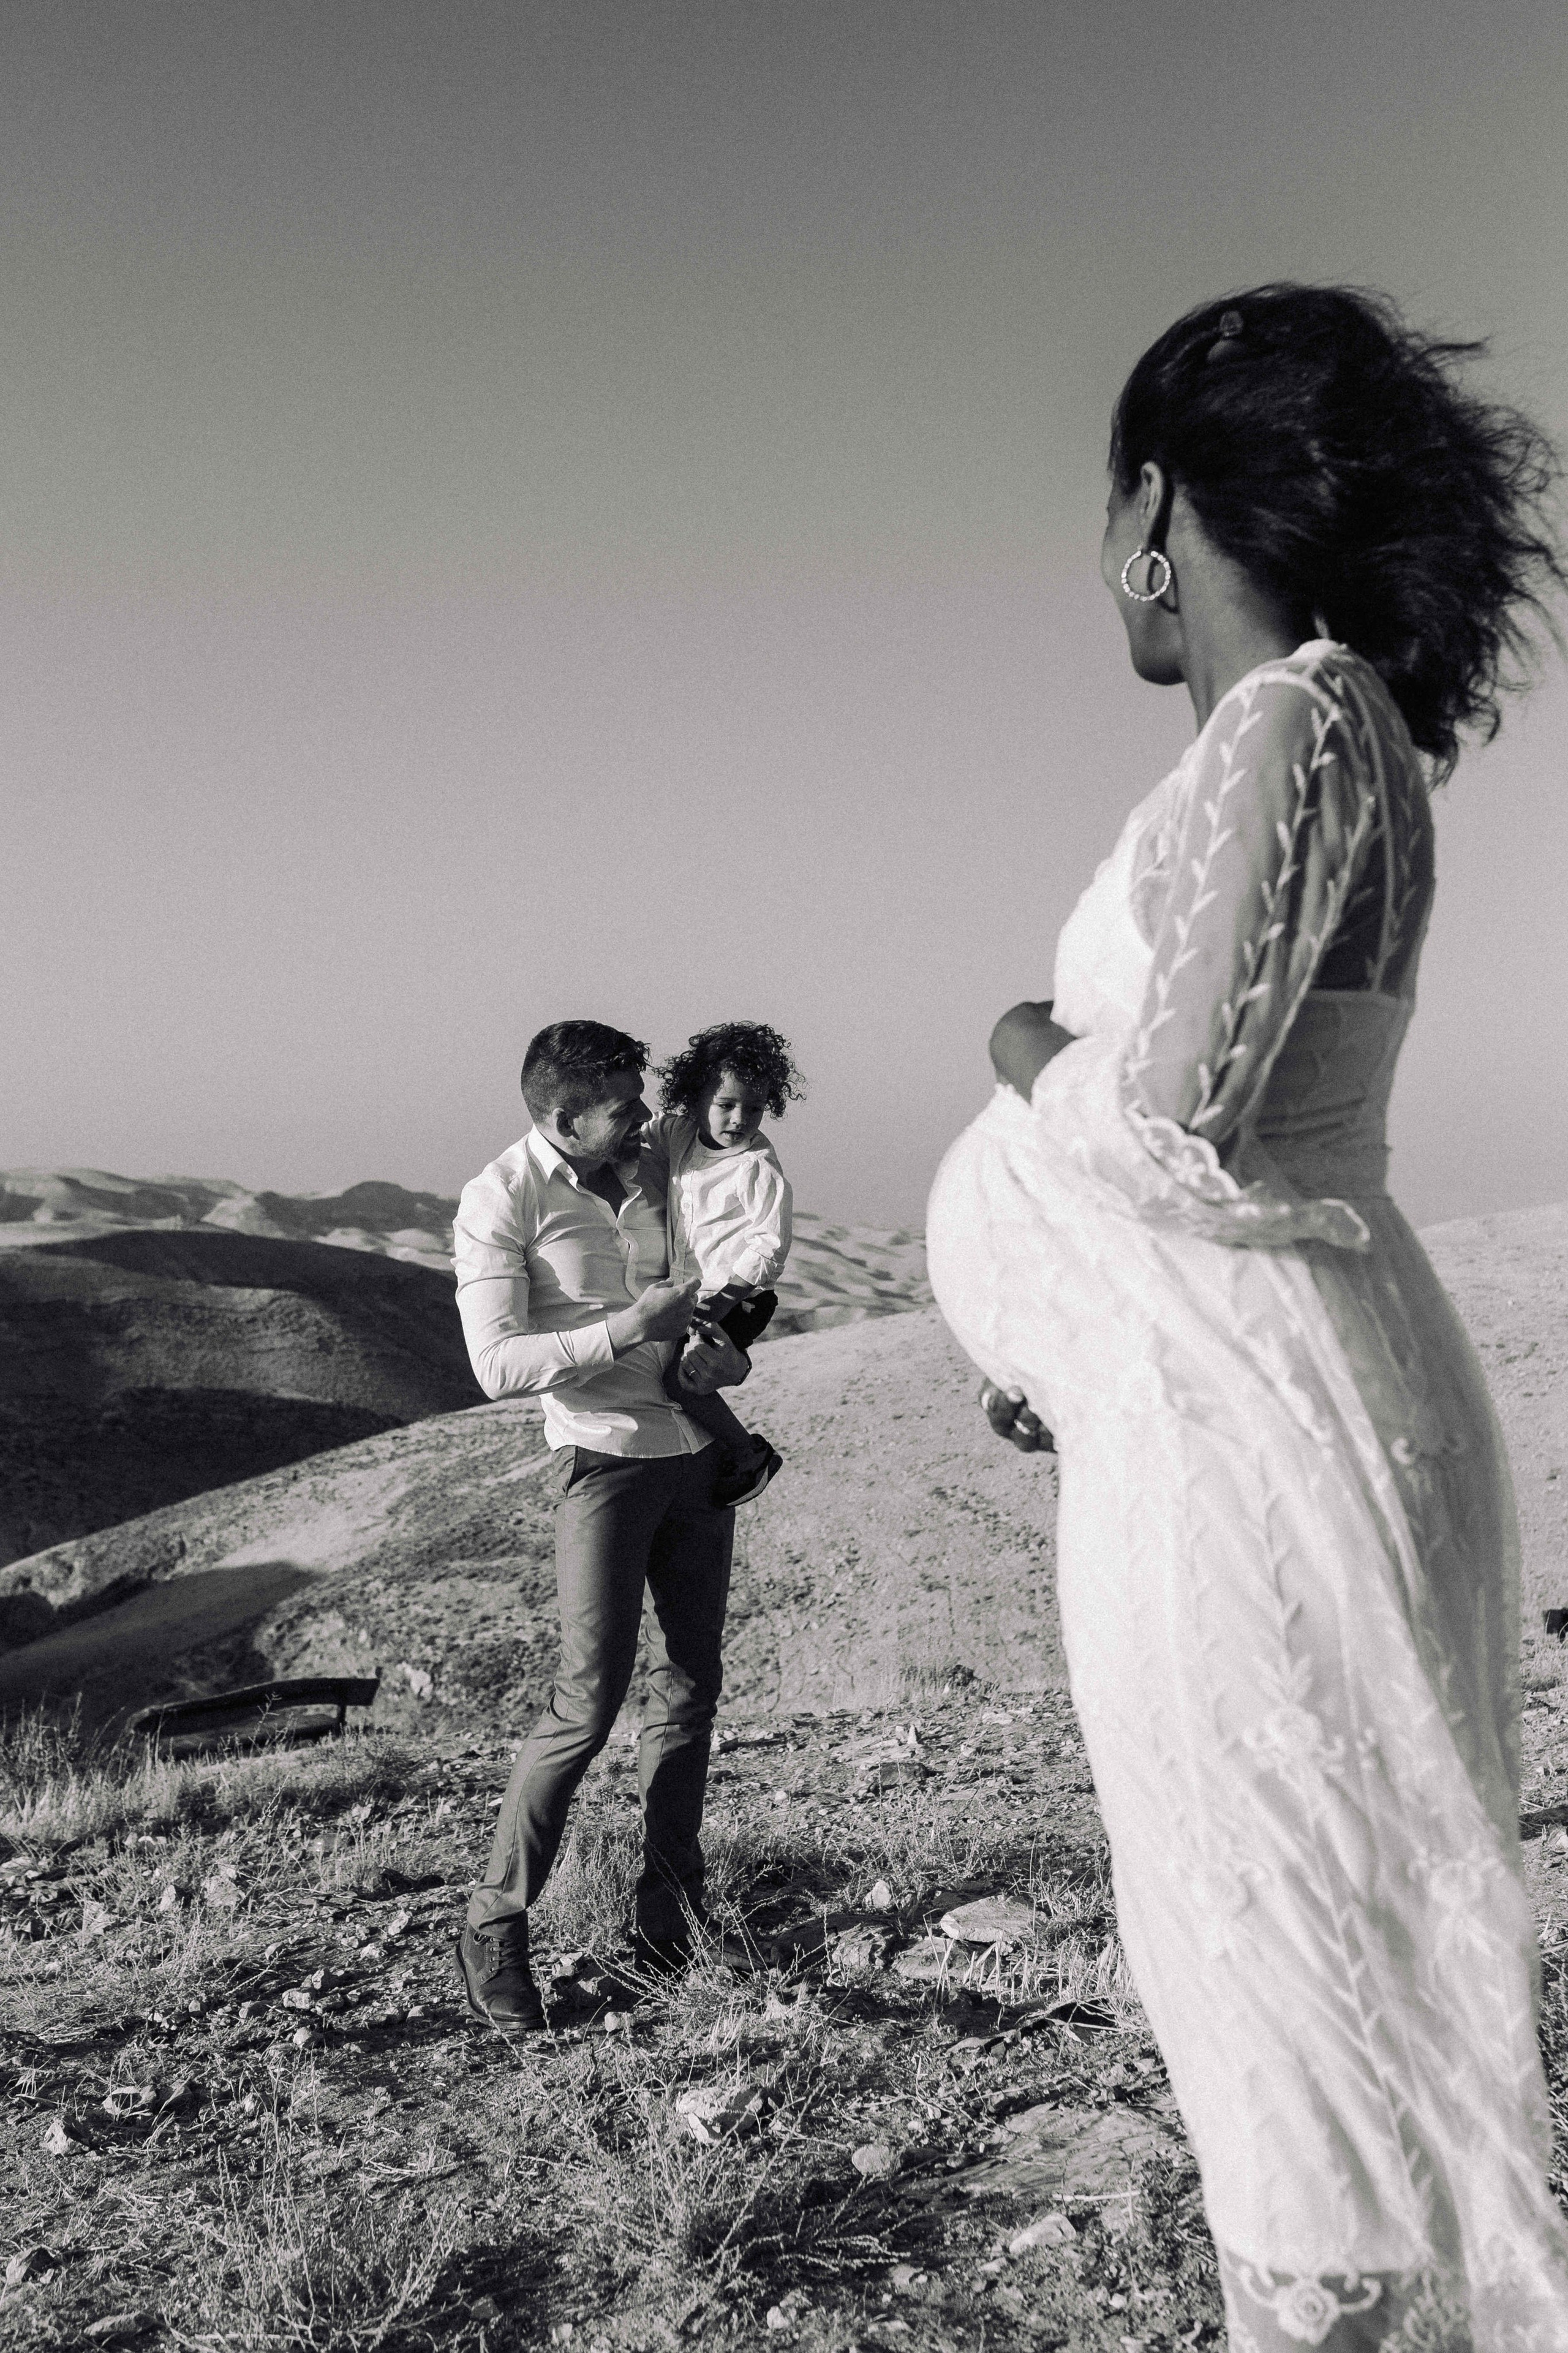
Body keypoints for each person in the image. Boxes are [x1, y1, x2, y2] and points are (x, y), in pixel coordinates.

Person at [924, 286, 1568, 2348]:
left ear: (1154, 510)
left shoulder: (1292, 718)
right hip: (1225, 1407)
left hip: (1253, 1454)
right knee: (1311, 1954)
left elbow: (1187, 1132)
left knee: (1298, 1973)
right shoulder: (1310, 732)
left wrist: (1024, 1050)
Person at [451, 1019, 750, 2036]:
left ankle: (667, 1920)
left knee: (690, 1690)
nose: (644, 1116)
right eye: (621, 1105)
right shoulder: (501, 1201)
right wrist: (630, 1327)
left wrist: (718, 1353)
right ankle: (495, 1920)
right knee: (587, 1701)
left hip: (693, 1457)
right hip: (604, 1463)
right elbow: (494, 1365)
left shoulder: (649, 1162)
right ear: (559, 1117)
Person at [649, 1021, 803, 1508]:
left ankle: (748, 1454)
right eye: (727, 1105)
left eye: (754, 1108)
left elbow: (770, 1245)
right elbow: (638, 1134)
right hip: (696, 1295)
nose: (740, 1119)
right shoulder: (680, 1136)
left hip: (741, 1297)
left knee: (681, 1380)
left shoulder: (756, 1165)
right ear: (696, 1098)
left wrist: (723, 1301)